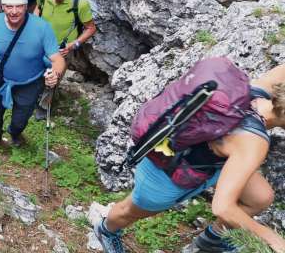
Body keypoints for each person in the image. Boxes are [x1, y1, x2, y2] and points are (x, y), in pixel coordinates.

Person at [94, 65, 285, 253]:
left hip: (207, 156)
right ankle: (106, 230)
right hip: (170, 171)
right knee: (130, 211)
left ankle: (213, 239)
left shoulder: (262, 88)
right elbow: (223, 208)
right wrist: (271, 237)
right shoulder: (254, 142)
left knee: (259, 197)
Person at [0, 0, 65, 149]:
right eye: (9, 6)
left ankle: (15, 133)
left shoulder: (41, 27)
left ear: (26, 6)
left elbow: (58, 60)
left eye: (19, 6)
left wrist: (54, 75)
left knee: (21, 118)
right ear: (2, 6)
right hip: (2, 79)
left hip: (30, 83)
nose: (14, 11)